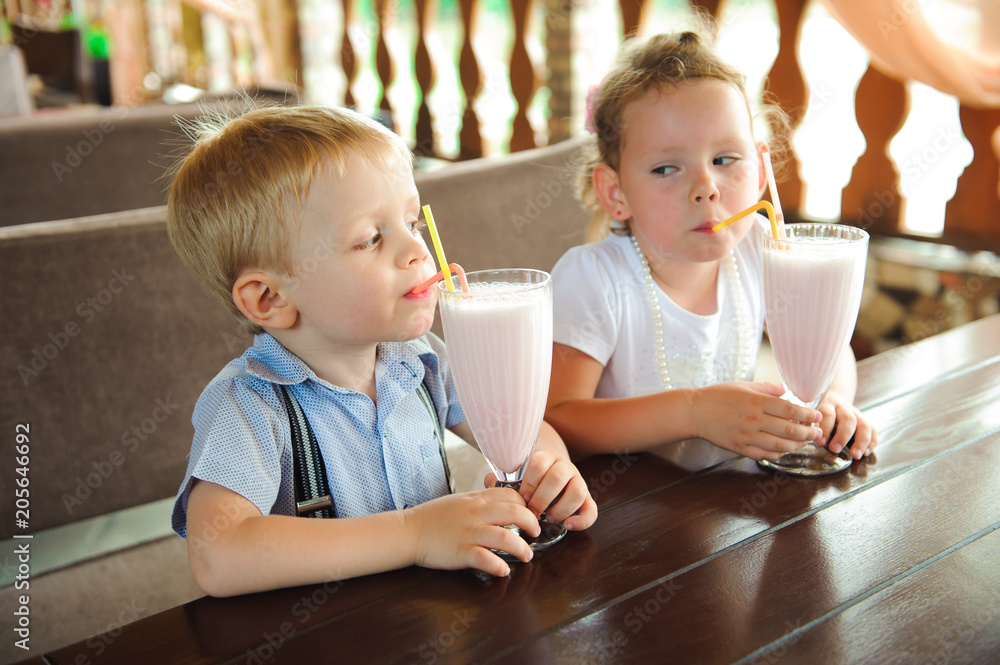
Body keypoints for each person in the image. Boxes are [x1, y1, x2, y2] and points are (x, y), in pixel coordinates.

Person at [166, 104, 597, 596]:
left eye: (412, 223)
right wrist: (413, 534)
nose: (417, 250)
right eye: (371, 238)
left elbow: (519, 426)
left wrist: (546, 468)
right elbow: (219, 556)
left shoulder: (421, 358)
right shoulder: (249, 406)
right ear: (271, 299)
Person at [545, 28, 878, 462]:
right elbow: (558, 417)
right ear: (616, 193)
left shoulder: (761, 248)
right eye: (666, 168)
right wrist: (695, 412)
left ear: (760, 173)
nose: (706, 189)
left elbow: (829, 349)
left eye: (724, 160)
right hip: (623, 512)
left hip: (725, 509)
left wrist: (835, 399)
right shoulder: (593, 278)